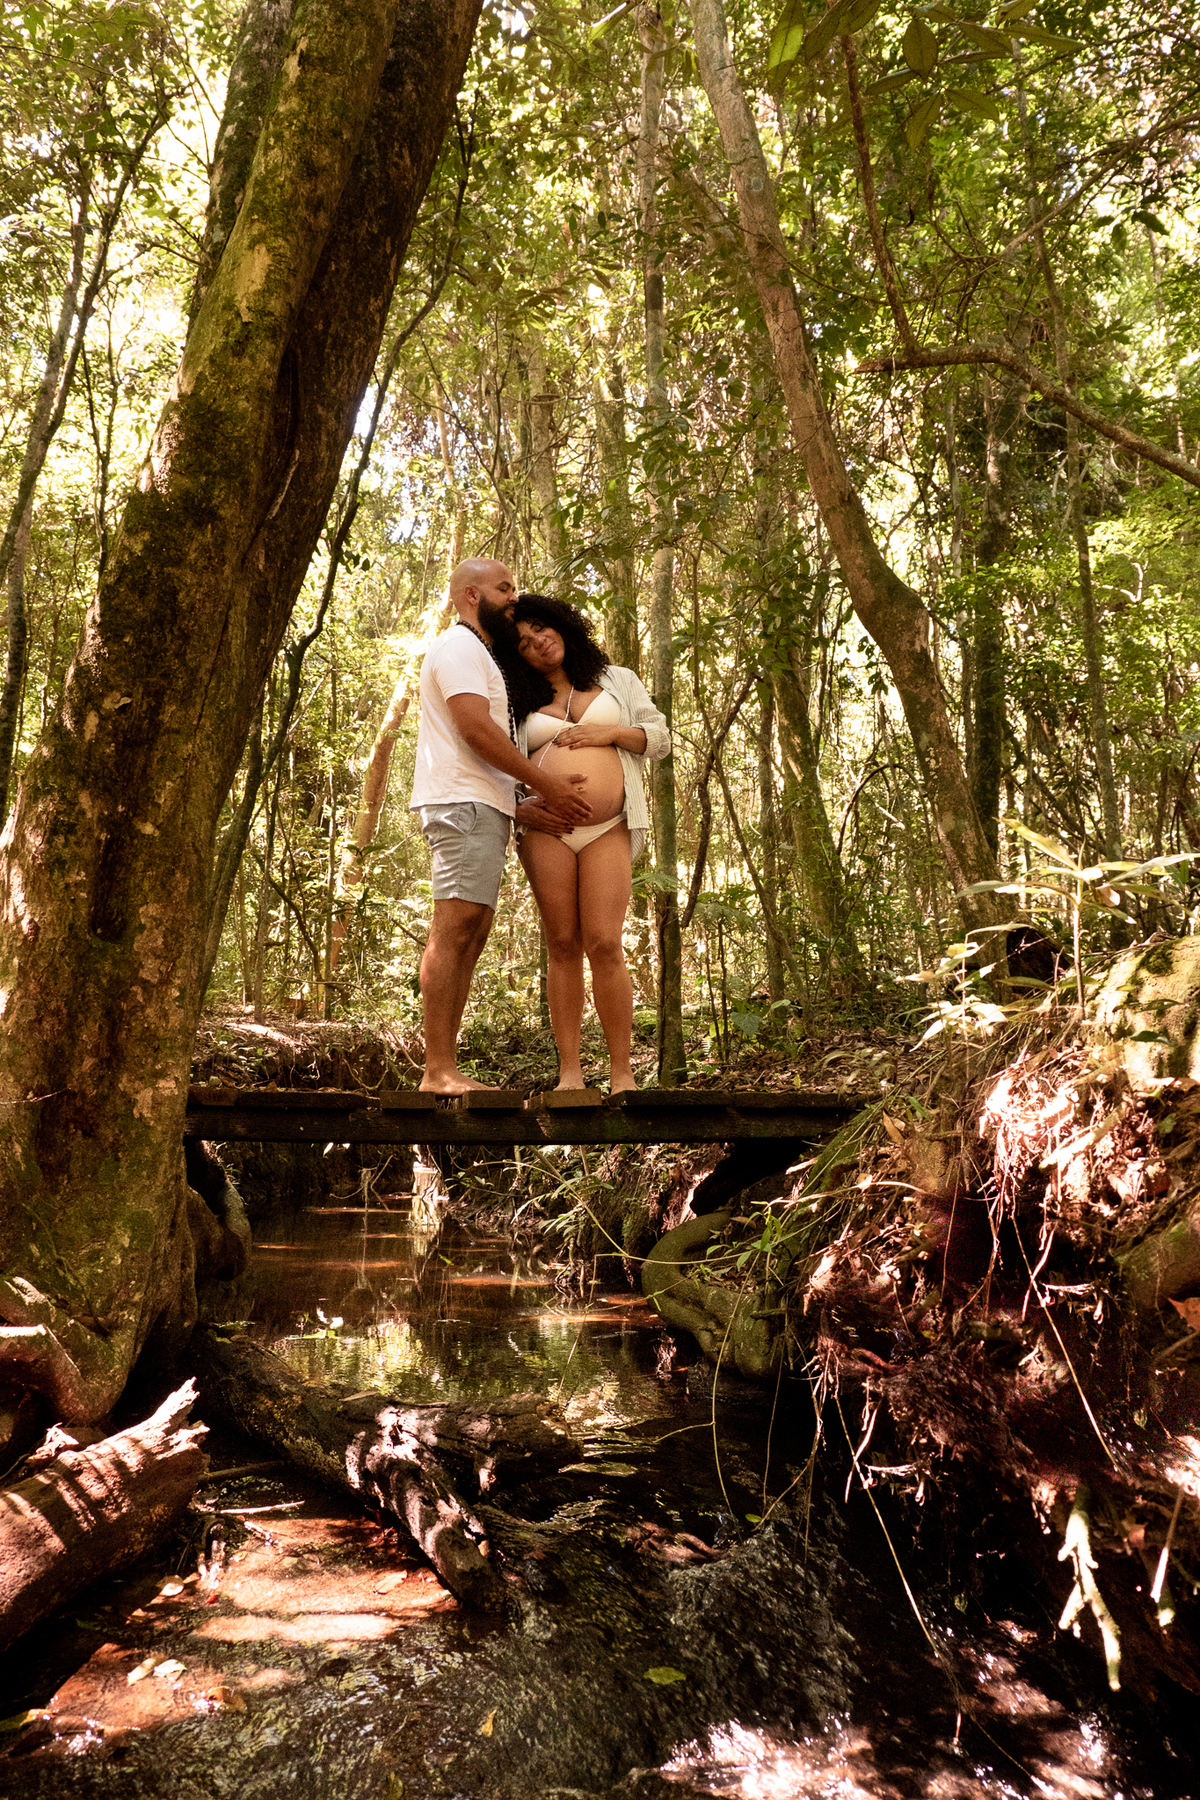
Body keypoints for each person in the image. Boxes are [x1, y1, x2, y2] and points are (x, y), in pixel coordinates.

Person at [410, 559, 591, 1092]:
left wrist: (517, 801)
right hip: (460, 804)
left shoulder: (480, 652)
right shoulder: (460, 648)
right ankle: (437, 1070)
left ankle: (445, 1066)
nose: (515, 597)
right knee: (455, 926)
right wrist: (546, 782)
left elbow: (487, 745)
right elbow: (473, 729)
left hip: (483, 805)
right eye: (504, 588)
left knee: (473, 929)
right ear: (471, 594)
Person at [500, 594, 669, 1093]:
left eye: (539, 628)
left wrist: (610, 733)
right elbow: (492, 763)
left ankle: (622, 1074)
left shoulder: (618, 679)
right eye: (523, 644)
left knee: (605, 942)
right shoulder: (514, 698)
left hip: (609, 826)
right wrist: (517, 804)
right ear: (518, 657)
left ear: (560, 623)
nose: (537, 644)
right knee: (562, 943)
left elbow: (659, 738)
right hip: (546, 830)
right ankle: (570, 1073)